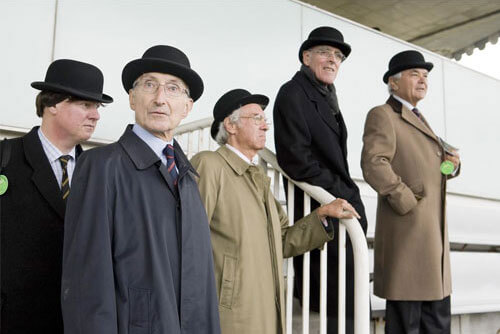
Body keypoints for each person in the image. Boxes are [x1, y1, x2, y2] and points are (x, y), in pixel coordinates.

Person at [61, 45, 220, 334]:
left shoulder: (187, 177)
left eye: (173, 88)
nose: (160, 98)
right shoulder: (100, 167)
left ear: (187, 107)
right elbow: (87, 286)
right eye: (150, 85)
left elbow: (202, 286)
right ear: (133, 98)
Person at [191, 88, 360, 334]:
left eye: (265, 119)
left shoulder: (258, 177)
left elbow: (283, 241)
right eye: (256, 118)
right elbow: (189, 241)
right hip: (229, 312)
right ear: (231, 125)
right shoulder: (210, 164)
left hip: (266, 306)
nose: (265, 127)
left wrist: (321, 215)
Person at [0, 59, 112, 333]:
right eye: (85, 104)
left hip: (75, 323)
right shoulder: (6, 159)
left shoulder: (101, 174)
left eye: (97, 107)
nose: (95, 115)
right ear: (51, 104)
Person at [273, 26, 367, 333]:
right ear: (306, 57)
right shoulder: (293, 93)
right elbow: (296, 159)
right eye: (325, 53)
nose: (333, 60)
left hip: (336, 212)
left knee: (347, 308)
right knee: (334, 310)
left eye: (338, 56)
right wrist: (344, 193)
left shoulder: (325, 96)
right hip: (322, 213)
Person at [361, 50, 460, 333]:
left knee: (436, 323)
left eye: (426, 75)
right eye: (414, 74)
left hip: (432, 242)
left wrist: (449, 167)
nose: (423, 80)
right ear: (393, 82)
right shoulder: (383, 115)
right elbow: (373, 162)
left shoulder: (418, 117)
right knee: (409, 324)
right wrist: (406, 200)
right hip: (409, 239)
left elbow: (427, 172)